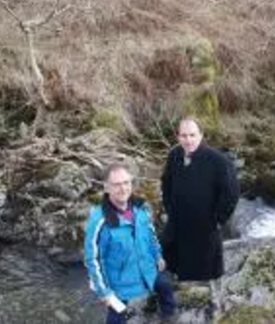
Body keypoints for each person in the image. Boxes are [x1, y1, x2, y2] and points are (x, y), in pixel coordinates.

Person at [161, 117, 240, 315]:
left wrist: (218, 219)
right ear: (178, 136)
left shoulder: (218, 160)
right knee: (168, 255)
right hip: (178, 221)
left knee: (211, 266)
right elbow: (166, 183)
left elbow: (231, 193)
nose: (188, 140)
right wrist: (170, 208)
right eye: (184, 135)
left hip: (206, 224)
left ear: (201, 136)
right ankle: (169, 296)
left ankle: (216, 301)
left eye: (192, 135)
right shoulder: (174, 155)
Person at [84, 163, 176, 324]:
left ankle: (167, 316)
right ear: (106, 187)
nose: (123, 188)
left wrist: (158, 255)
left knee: (165, 285)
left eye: (126, 183)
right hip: (119, 282)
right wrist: (104, 292)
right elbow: (92, 260)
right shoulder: (99, 221)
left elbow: (151, 234)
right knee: (116, 315)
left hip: (147, 269)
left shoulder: (141, 208)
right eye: (117, 184)